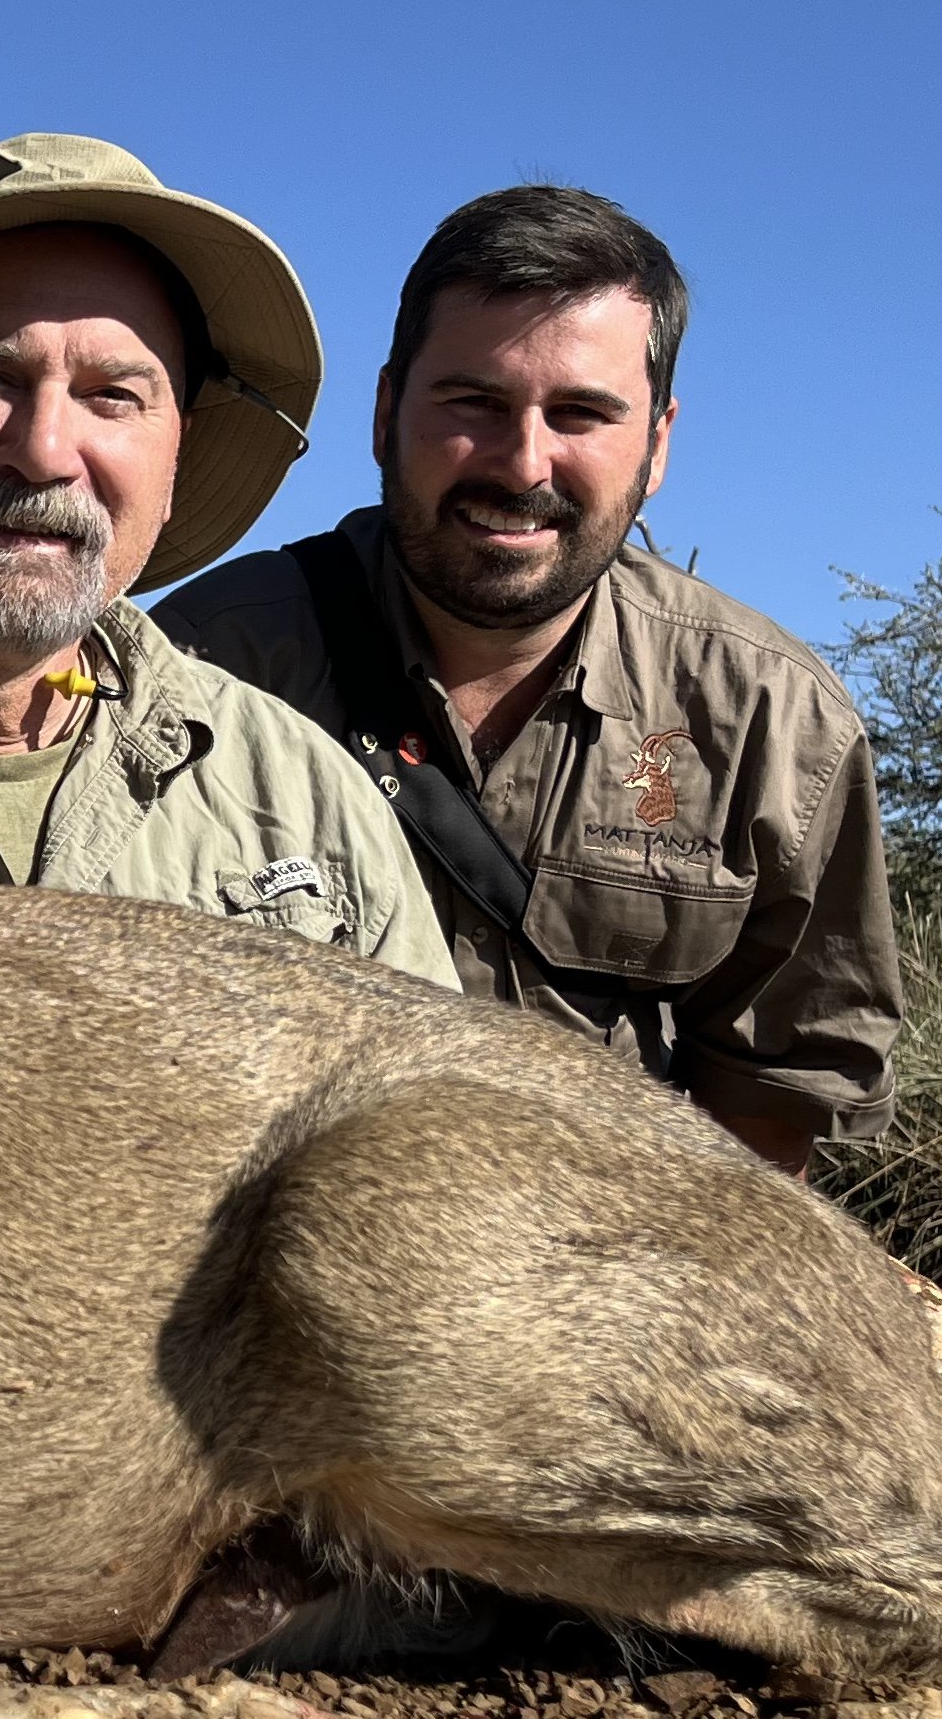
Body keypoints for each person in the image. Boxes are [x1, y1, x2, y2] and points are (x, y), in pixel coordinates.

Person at [155, 186, 898, 1175]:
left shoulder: (773, 721)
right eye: (475, 404)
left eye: (582, 414)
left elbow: (781, 1107)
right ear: (386, 413)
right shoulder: (199, 670)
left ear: (659, 444)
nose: (523, 462)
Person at [0, 133, 452, 987]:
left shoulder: (307, 794)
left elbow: (442, 1115)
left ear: (176, 462)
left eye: (112, 397)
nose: (45, 451)